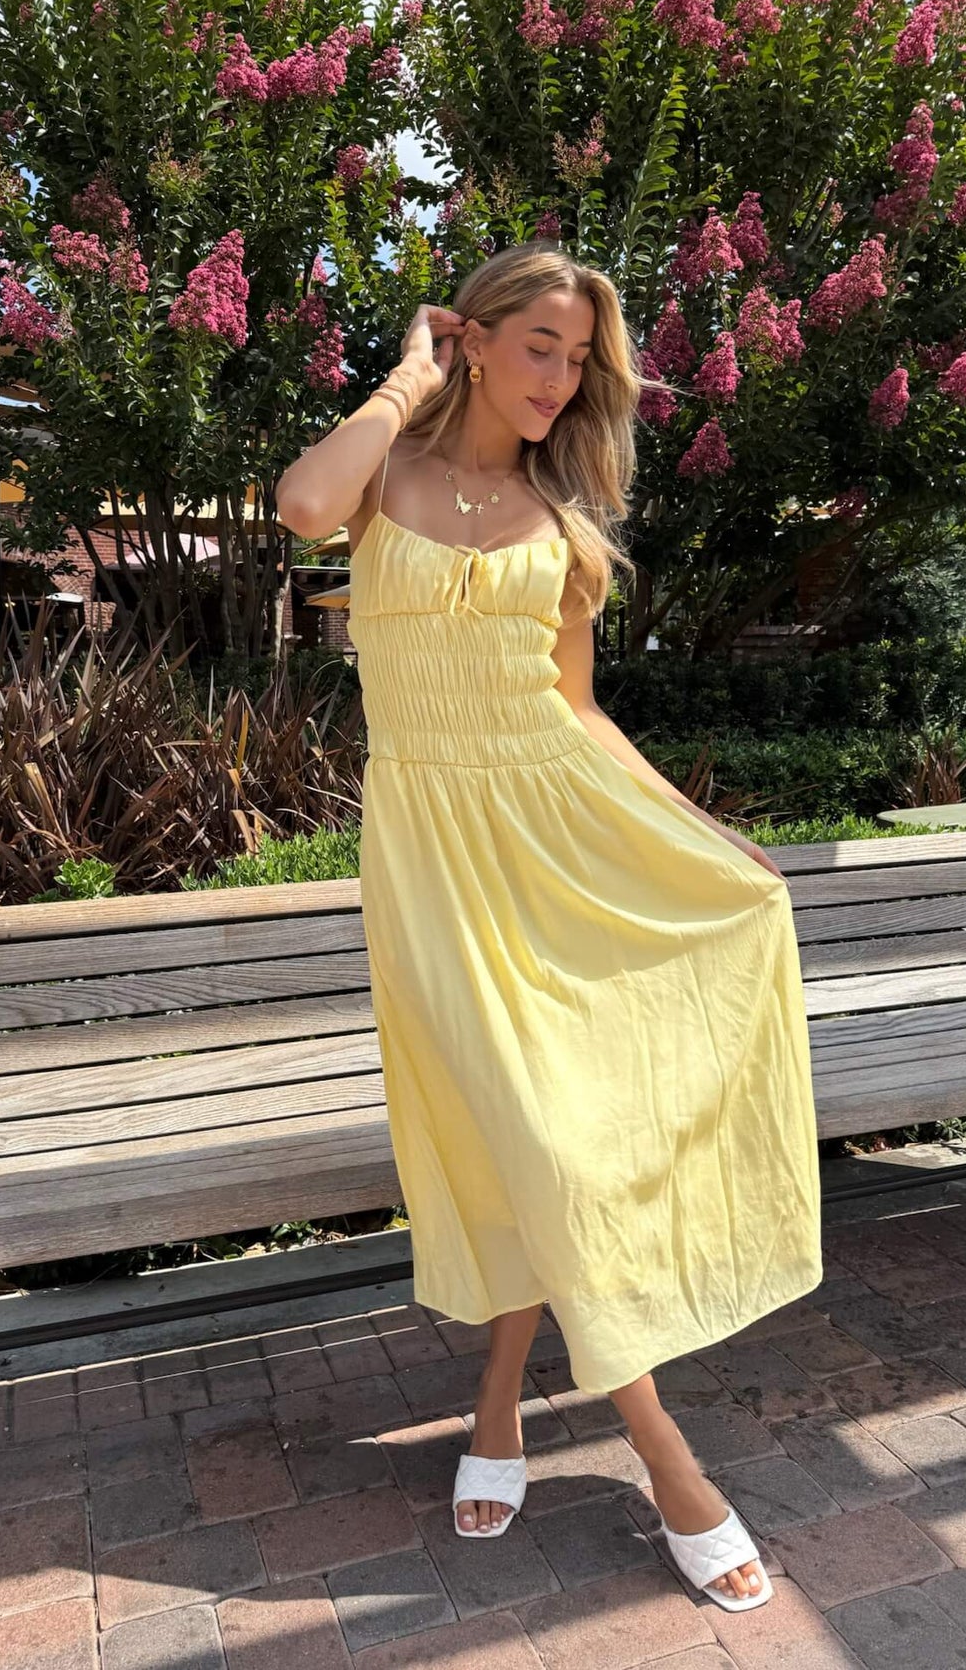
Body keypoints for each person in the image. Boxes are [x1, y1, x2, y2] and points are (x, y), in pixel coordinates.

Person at [276, 242, 823, 1612]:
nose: (561, 379)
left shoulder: (561, 524)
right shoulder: (385, 477)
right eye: (540, 347)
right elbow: (302, 504)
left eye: (579, 360)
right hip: (431, 858)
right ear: (472, 338)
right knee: (529, 1139)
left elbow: (576, 711)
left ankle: (508, 1401)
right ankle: (666, 1457)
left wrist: (701, 835)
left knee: (549, 1145)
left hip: (554, 844)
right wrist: (405, 379)